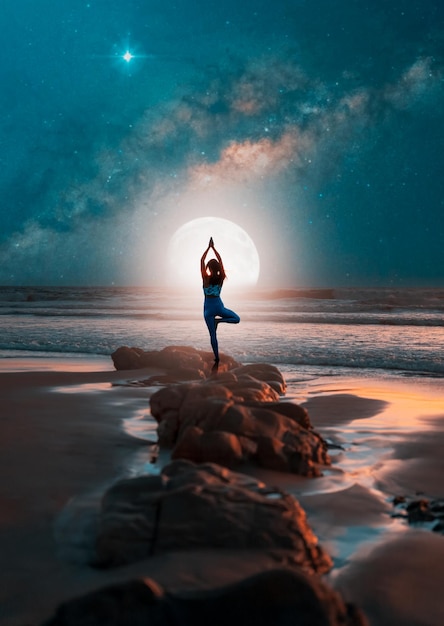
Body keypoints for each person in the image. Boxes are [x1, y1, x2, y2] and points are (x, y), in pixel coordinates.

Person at [201, 237, 240, 363]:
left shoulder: (205, 278)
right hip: (219, 306)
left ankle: (217, 358)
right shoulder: (221, 278)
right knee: (236, 319)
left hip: (208, 309)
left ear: (208, 268)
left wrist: (208, 248)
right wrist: (214, 248)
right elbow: (221, 261)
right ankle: (220, 321)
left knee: (213, 335)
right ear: (217, 268)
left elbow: (201, 260)